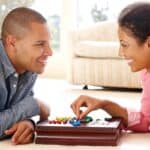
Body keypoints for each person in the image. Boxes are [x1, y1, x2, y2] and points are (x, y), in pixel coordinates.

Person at [71, 2, 150, 132]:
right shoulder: (147, 73)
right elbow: (146, 121)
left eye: (124, 45)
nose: (120, 53)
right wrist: (104, 104)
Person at [0, 7, 52, 144]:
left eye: (48, 43)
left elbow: (18, 108)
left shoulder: (28, 67)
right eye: (40, 44)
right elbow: (26, 106)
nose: (50, 52)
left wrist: (29, 122)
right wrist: (35, 105)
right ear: (12, 43)